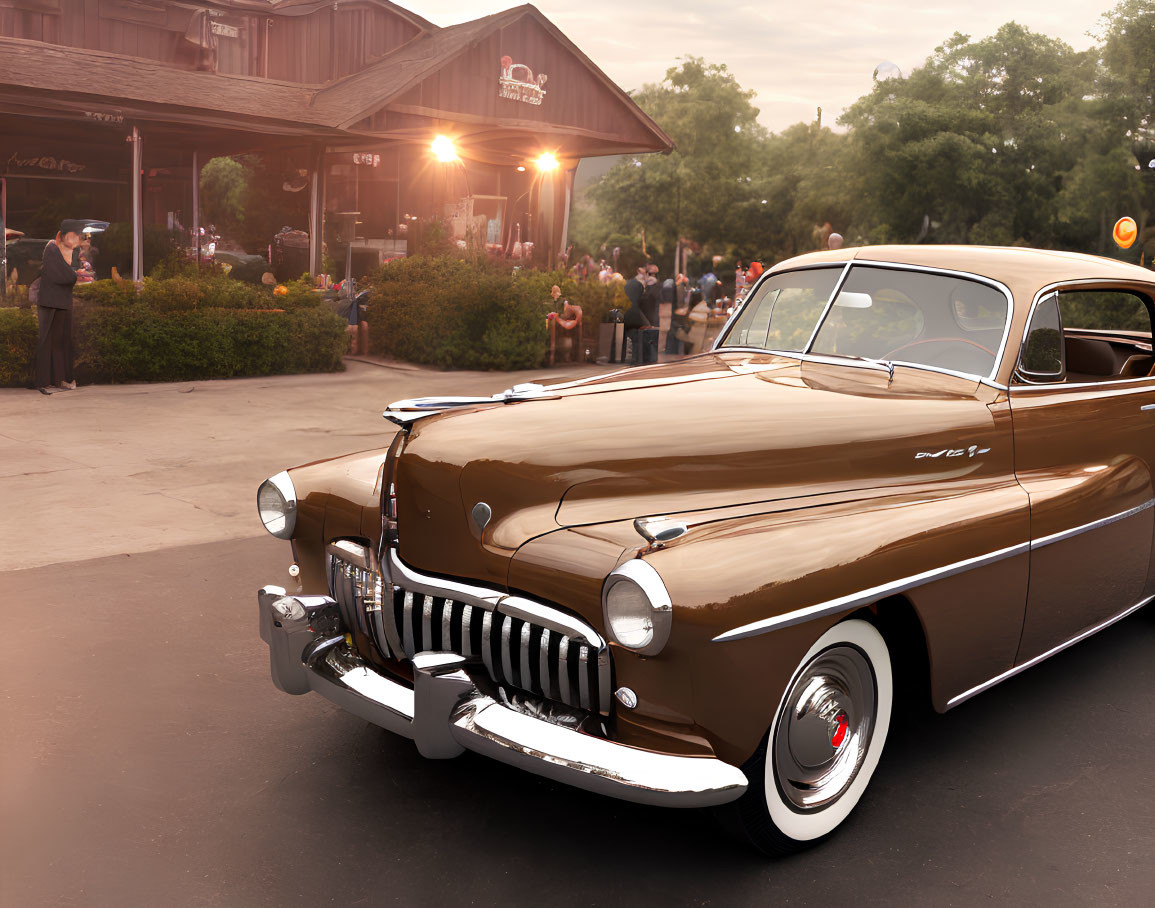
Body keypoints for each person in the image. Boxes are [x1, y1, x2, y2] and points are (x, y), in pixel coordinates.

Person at [36, 219, 88, 395]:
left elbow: (67, 273)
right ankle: (45, 381)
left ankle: (59, 380)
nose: (76, 240)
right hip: (51, 303)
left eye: (77, 236)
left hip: (62, 303)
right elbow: (61, 275)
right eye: (73, 235)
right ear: (63, 235)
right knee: (48, 342)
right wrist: (74, 275)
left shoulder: (66, 251)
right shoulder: (51, 249)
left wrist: (73, 272)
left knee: (60, 343)